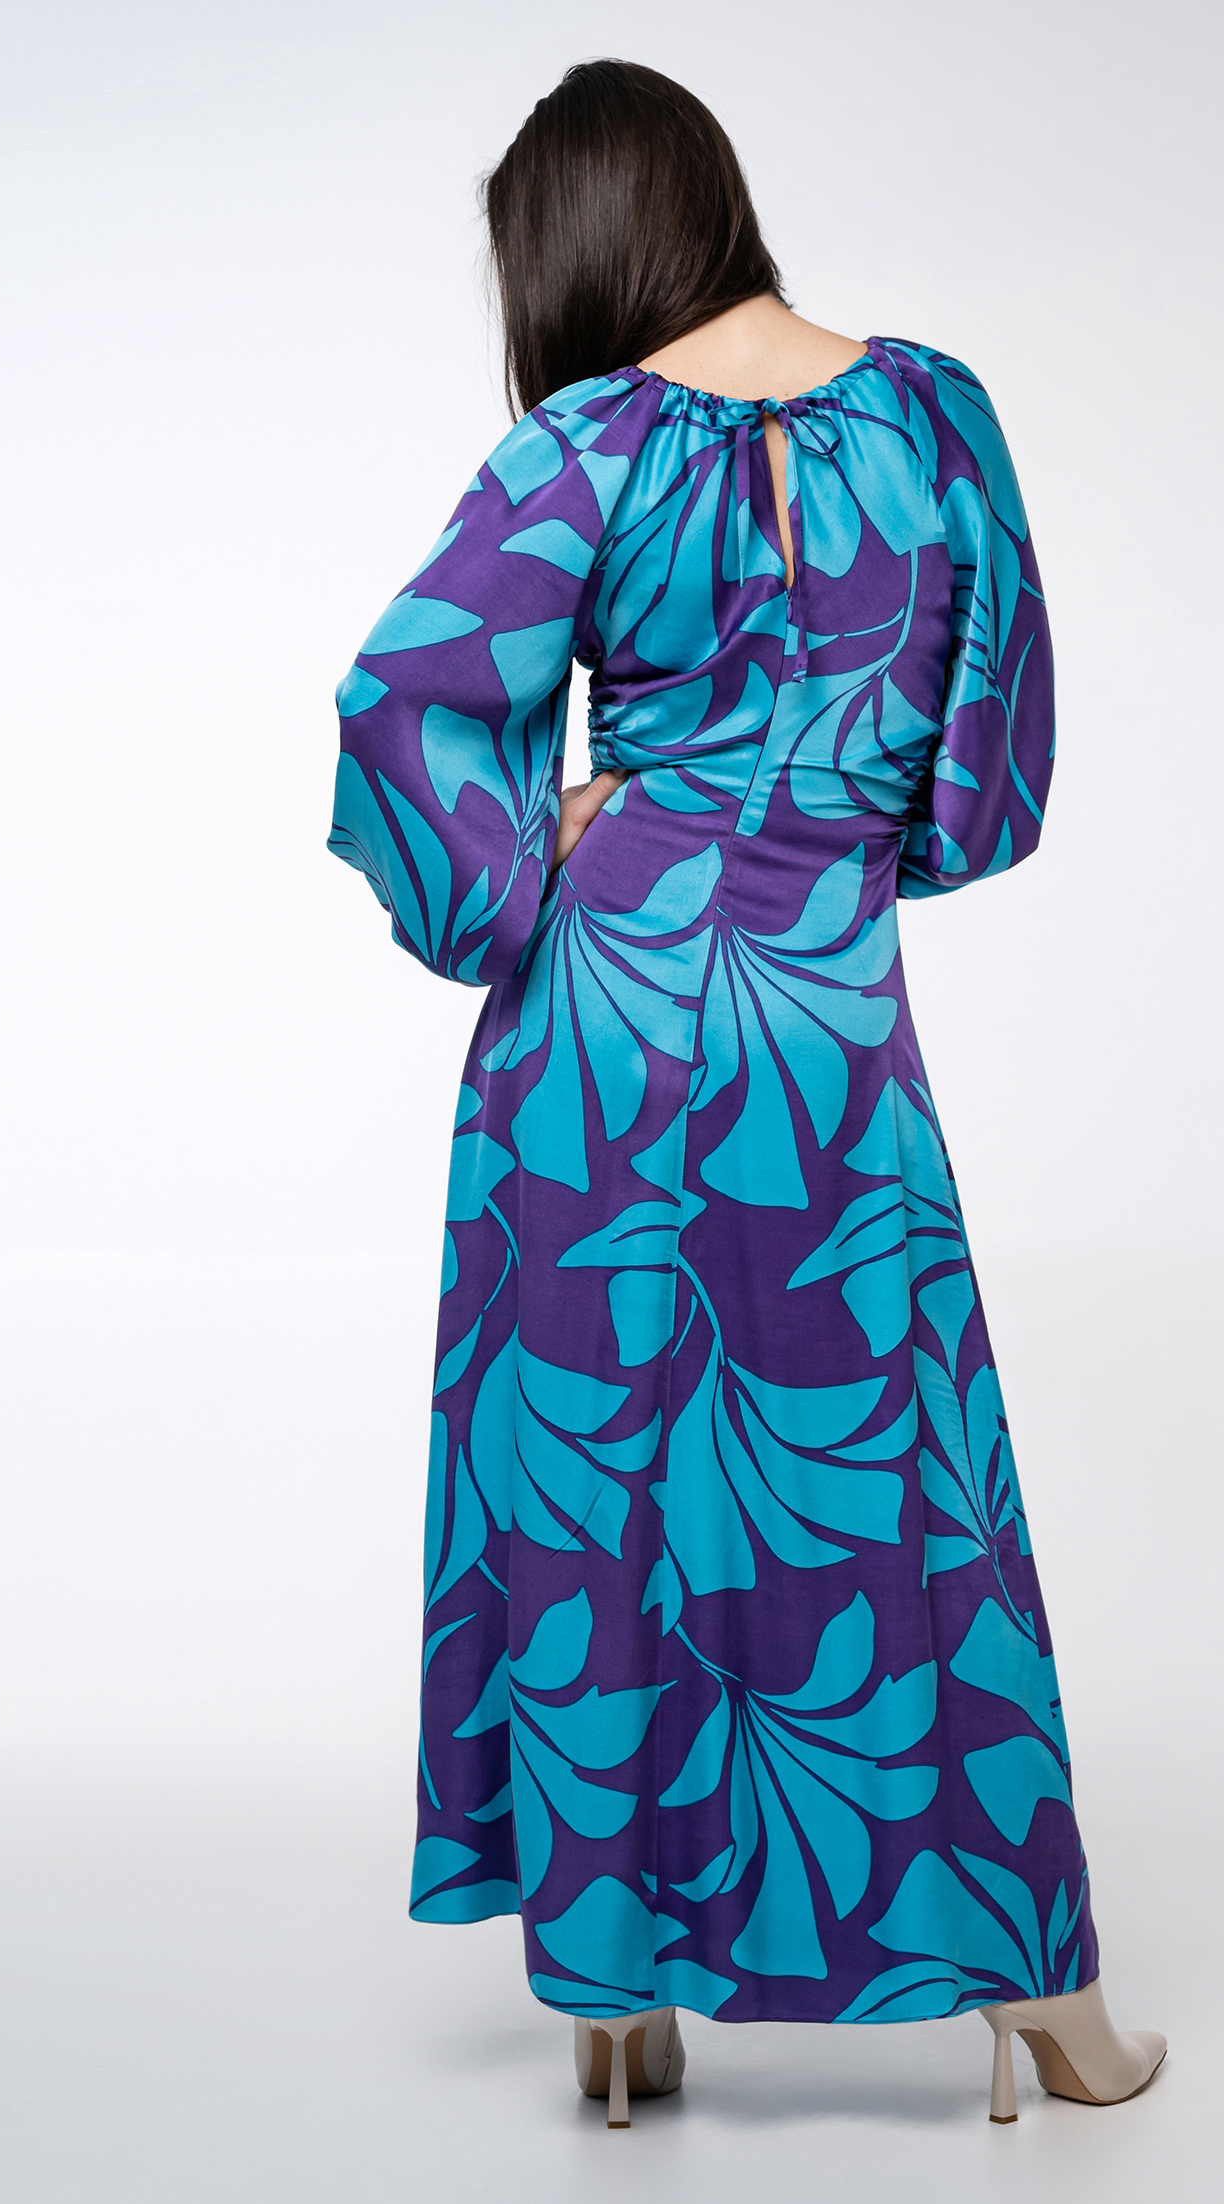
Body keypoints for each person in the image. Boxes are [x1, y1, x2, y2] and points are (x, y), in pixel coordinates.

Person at [327, 58, 1165, 2129]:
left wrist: (547, 849)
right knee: (901, 1476)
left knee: (597, 1479)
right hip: (821, 1019)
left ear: (573, 249)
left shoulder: (581, 447)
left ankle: (618, 1999)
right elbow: (988, 773)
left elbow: (400, 704)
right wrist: (832, 832)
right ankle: (1042, 2000)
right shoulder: (939, 415)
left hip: (597, 1037)